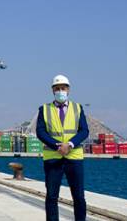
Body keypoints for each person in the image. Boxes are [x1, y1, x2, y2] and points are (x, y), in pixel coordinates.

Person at [36, 74, 89, 221]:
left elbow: (84, 130)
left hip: (74, 157)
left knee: (78, 196)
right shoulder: (44, 109)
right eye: (57, 88)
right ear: (53, 90)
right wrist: (57, 146)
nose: (60, 91)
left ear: (68, 90)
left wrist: (70, 145)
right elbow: (40, 132)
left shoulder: (78, 108)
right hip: (53, 158)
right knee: (52, 196)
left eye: (63, 88)